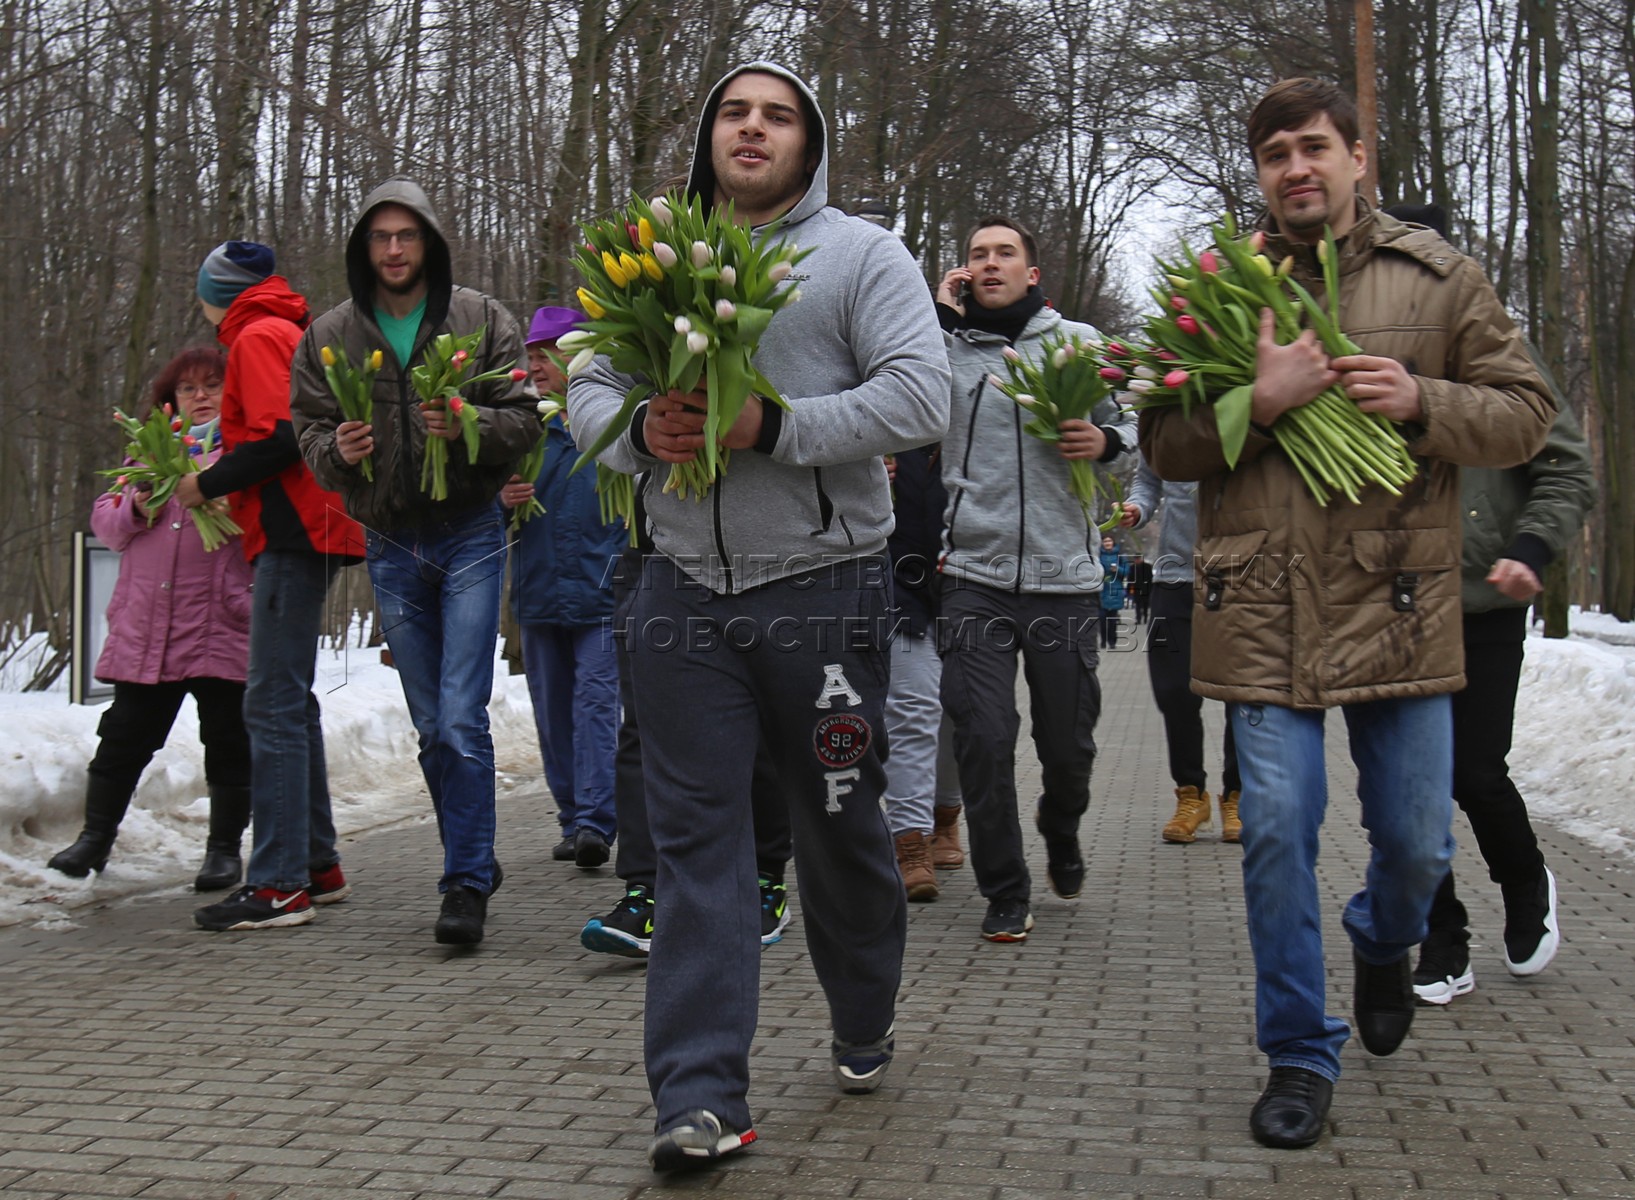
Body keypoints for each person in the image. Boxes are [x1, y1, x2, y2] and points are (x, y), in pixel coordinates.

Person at [1140, 78, 1553, 1150]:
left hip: (1400, 602)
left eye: (1315, 146)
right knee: (1276, 831)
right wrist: (1259, 403)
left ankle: (1382, 939)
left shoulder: (1439, 278)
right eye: (1275, 153)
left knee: (1415, 844)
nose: (1296, 168)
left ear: (1359, 157)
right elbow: (1163, 445)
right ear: (1261, 173)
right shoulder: (1222, 285)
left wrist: (1424, 401)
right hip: (1262, 603)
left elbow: (1524, 418)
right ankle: (1297, 1053)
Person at [567, 62, 949, 1171]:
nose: (753, 128)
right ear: (709, 137)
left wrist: (770, 429)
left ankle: (864, 1014)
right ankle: (700, 1097)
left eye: (777, 116)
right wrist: (644, 432)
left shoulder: (861, 256)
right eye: (735, 112)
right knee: (698, 848)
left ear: (809, 144)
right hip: (679, 595)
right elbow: (584, 385)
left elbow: (919, 397)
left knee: (838, 827)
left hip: (826, 595)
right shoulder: (650, 257)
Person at [290, 180, 538, 947]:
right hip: (391, 544)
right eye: (379, 238)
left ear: (428, 240)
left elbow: (525, 421)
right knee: (432, 726)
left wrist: (467, 421)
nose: (394, 250)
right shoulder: (330, 333)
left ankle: (464, 879)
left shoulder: (479, 318)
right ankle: (475, 850)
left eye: (406, 235)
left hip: (468, 532)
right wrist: (337, 452)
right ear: (363, 248)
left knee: (462, 717)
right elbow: (308, 429)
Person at [1378, 207, 1599, 1003]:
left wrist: (1530, 550)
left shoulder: (1497, 351)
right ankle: (1440, 937)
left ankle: (1522, 879)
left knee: (1471, 771)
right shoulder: (1356, 358)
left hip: (1482, 601)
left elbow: (1566, 469)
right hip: (1386, 603)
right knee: (1405, 794)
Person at [934, 215, 1137, 942]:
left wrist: (1106, 440)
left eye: (1003, 253)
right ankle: (1004, 887)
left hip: (1064, 575)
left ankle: (1062, 825)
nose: (989, 263)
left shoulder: (1080, 344)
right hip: (972, 575)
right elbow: (902, 407)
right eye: (976, 254)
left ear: (1032, 272)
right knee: (983, 737)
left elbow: (1138, 425)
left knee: (1068, 746)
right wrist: (936, 318)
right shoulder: (942, 350)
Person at [186, 243, 364, 932]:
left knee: (269, 702)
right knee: (289, 700)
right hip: (308, 526)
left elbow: (282, 438)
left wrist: (206, 481)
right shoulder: (285, 328)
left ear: (219, 292)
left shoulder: (260, 333)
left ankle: (279, 882)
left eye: (203, 290)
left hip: (296, 528)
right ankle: (316, 863)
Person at [49, 348, 254, 891]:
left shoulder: (244, 455)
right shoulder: (146, 455)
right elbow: (107, 524)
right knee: (123, 740)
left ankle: (223, 852)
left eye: (212, 385)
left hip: (222, 623)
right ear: (171, 401)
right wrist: (137, 506)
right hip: (150, 628)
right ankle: (94, 840)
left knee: (229, 743)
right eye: (188, 389)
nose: (201, 396)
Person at [500, 306, 623, 870]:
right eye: (530, 355)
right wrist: (500, 503)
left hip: (602, 595)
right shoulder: (523, 431)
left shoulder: (612, 424)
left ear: (580, 354)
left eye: (545, 351)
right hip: (540, 594)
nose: (536, 364)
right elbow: (489, 513)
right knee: (552, 712)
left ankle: (597, 821)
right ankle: (572, 818)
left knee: (596, 703)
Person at [1121, 458, 1242, 844]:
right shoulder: (1167, 413)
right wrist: (1138, 508)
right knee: (1173, 690)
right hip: (1173, 576)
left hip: (1240, 574)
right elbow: (1147, 480)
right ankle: (1191, 794)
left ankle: (1238, 797)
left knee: (1241, 692)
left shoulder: (1246, 406)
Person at [881, 445, 960, 901]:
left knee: (958, 711)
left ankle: (946, 818)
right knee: (912, 708)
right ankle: (911, 842)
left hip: (972, 581)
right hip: (897, 583)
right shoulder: (889, 402)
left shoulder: (982, 412)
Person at [1098, 534, 1126, 649]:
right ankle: (1103, 640)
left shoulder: (1120, 556)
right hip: (1102, 590)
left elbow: (1126, 572)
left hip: (1115, 590)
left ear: (1113, 543)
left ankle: (1112, 641)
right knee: (1102, 619)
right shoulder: (1098, 556)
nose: (1107, 543)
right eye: (1105, 541)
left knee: (1113, 621)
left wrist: (1117, 570)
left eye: (1109, 541)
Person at [1129, 554, 1153, 624]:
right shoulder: (1132, 567)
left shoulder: (1147, 566)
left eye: (1138, 558)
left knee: (1146, 604)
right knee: (1138, 604)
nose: (1137, 560)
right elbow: (1130, 578)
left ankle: (1145, 617)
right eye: (1136, 559)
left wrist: (1151, 588)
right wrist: (1130, 588)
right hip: (1137, 589)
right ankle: (1138, 618)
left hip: (1146, 588)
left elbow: (1150, 577)